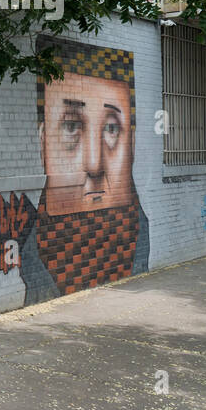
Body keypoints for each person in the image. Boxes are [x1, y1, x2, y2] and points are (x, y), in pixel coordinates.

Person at [13, 38, 148, 304]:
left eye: (111, 129)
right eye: (72, 126)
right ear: (43, 143)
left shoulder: (136, 244)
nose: (95, 165)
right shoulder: (34, 254)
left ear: (131, 145)